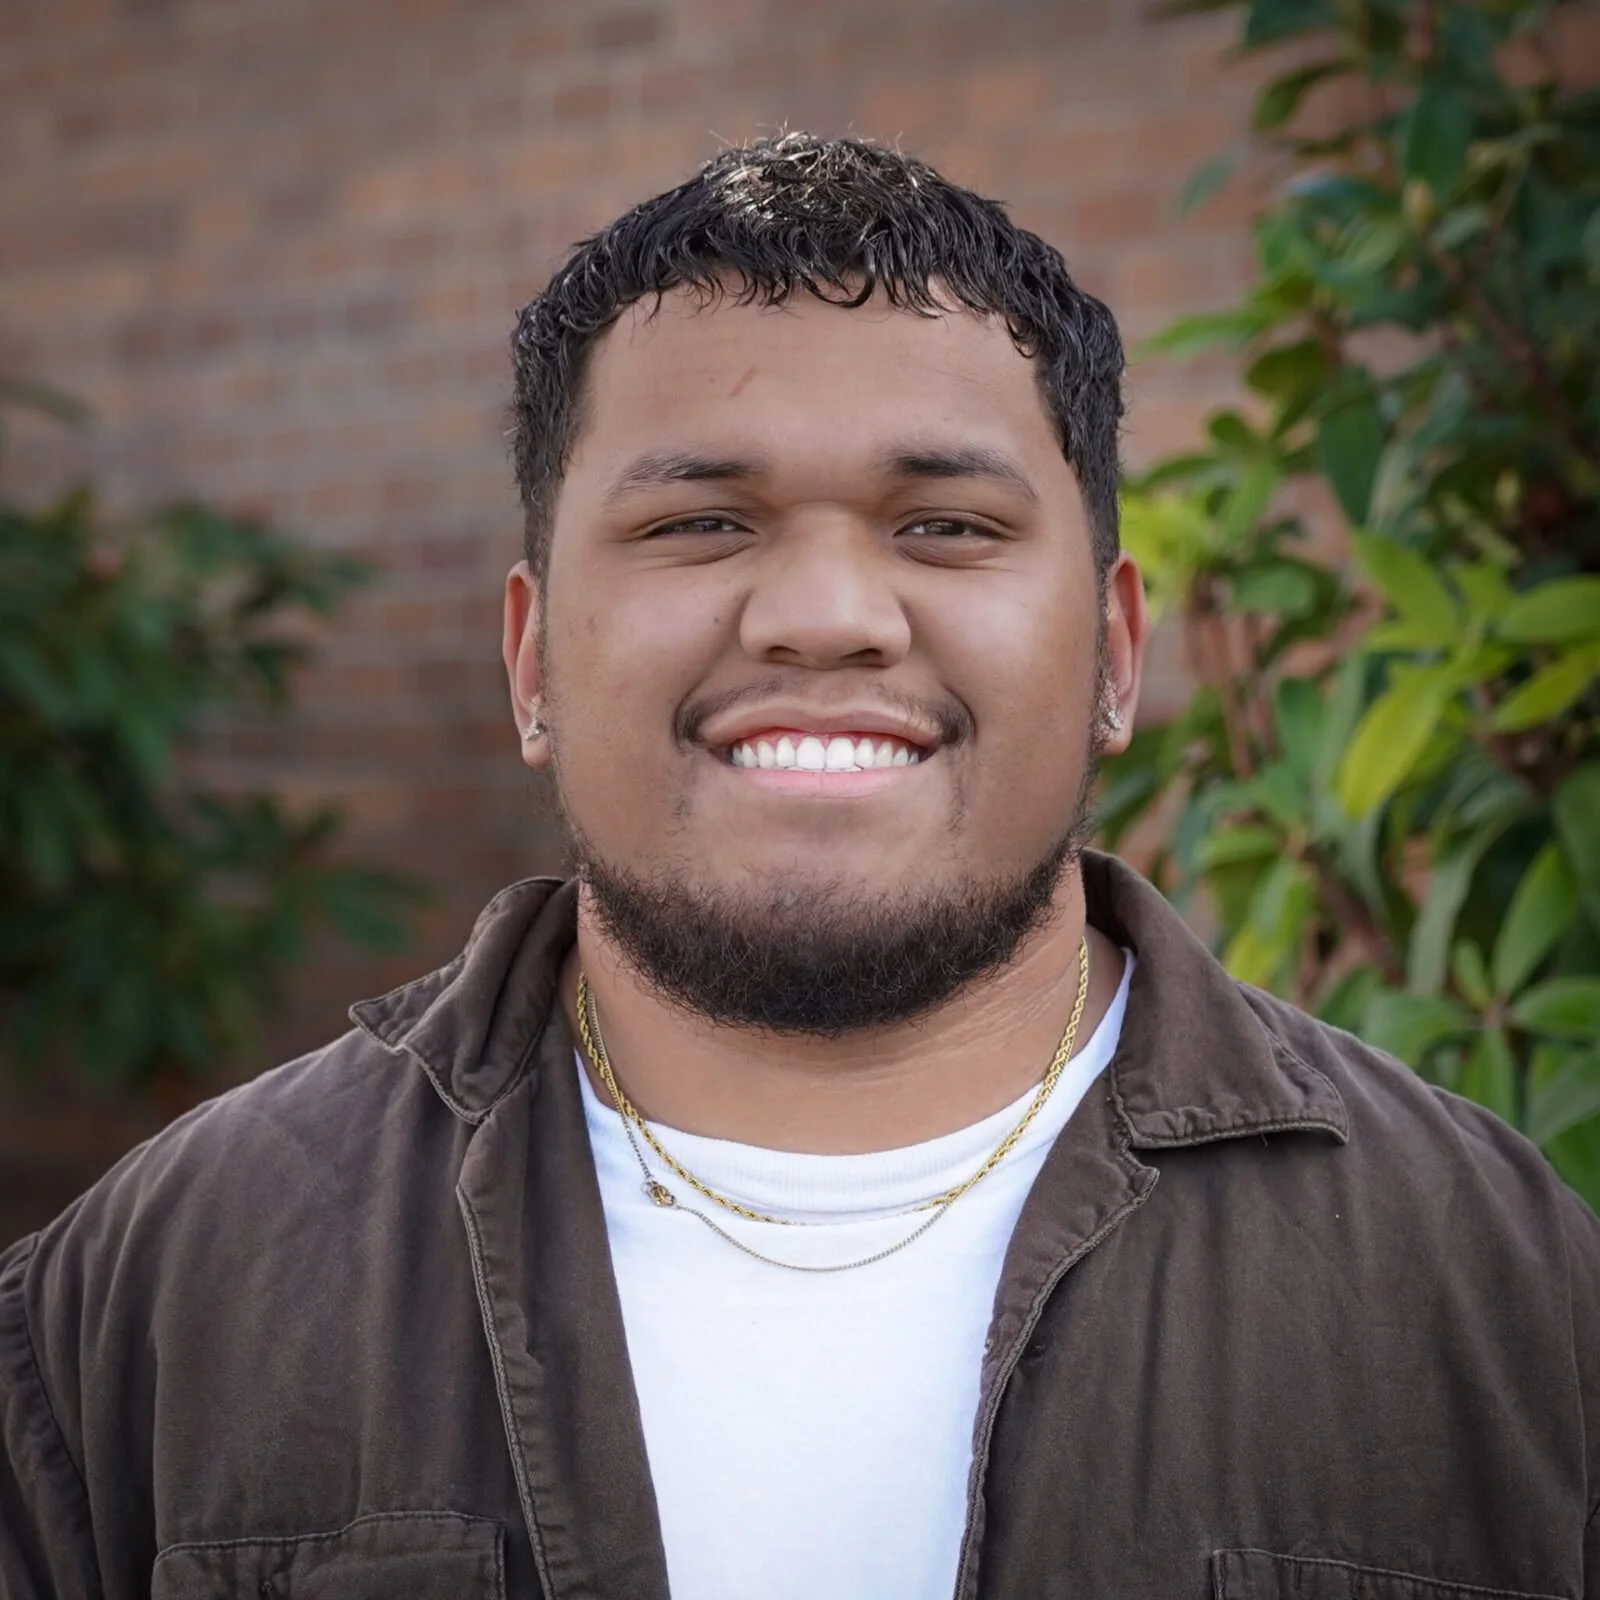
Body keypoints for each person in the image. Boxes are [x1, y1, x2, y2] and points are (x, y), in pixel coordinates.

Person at [2, 133, 1596, 1600]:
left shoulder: (1499, 1292)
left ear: (1117, 652)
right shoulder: (149, 1307)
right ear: (533, 659)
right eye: (701, 523)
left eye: (948, 527)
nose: (825, 613)